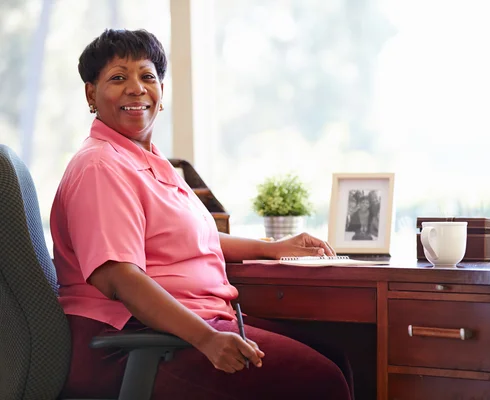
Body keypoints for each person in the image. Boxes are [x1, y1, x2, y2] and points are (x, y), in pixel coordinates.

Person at [50, 29, 353, 400]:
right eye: (117, 78)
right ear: (90, 93)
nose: (136, 88)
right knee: (320, 381)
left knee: (339, 355)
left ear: (161, 92)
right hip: (131, 346)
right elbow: (120, 277)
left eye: (147, 76)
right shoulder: (100, 166)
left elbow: (194, 239)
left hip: (177, 328)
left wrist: (271, 248)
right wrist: (206, 338)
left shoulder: (148, 161)